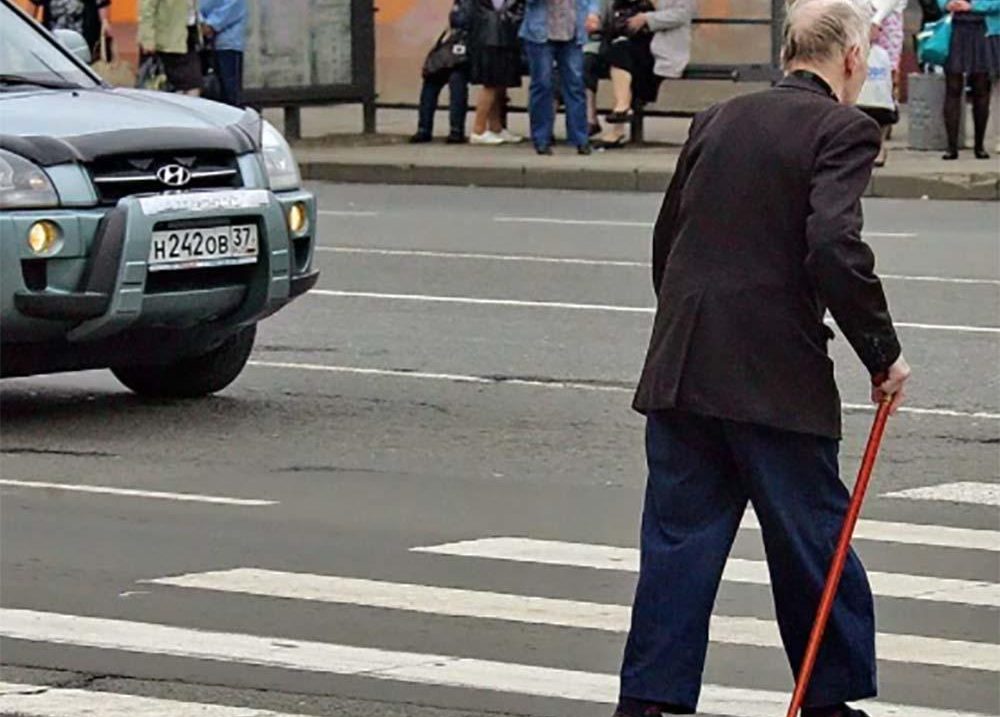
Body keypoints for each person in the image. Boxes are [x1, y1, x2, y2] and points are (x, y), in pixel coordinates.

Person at [615, 0, 911, 714]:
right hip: (777, 379)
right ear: (850, 59)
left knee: (678, 549)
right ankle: (828, 701)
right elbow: (833, 246)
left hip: (684, 369)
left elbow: (669, 241)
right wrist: (882, 354)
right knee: (813, 546)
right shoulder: (843, 129)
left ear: (787, 53)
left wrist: (692, 330)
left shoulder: (716, 118)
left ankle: (650, 703)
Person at [594, 0, 693, 147]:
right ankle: (622, 109)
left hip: (662, 49)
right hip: (634, 42)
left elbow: (682, 14)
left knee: (623, 60)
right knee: (619, 54)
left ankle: (619, 123)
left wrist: (646, 18)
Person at [519, 0, 601, 155]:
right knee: (542, 84)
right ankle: (541, 139)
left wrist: (593, 13)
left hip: (573, 31)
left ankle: (580, 139)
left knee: (576, 85)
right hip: (540, 33)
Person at [939, 0, 1000, 159]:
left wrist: (973, 7)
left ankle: (979, 145)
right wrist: (946, 4)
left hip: (984, 29)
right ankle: (951, 147)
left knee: (981, 88)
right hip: (954, 28)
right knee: (952, 87)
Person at [411, 0, 471, 143]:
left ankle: (424, 129)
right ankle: (456, 130)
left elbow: (458, 19)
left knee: (433, 81)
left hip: (454, 48)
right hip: (464, 50)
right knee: (456, 83)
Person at [467, 0, 525, 145]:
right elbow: (500, 7)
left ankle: (496, 127)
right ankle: (478, 130)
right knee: (491, 84)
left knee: (498, 84)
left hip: (498, 35)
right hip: (492, 36)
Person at [867, 0, 907, 165]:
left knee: (884, 83)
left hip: (888, 19)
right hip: (858, 17)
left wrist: (877, 20)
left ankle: (879, 144)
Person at [139, 0, 202, 96]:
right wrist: (147, 39)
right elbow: (146, 10)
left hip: (188, 35)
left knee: (194, 83)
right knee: (179, 84)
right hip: (167, 39)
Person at [199, 0, 246, 106]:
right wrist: (200, 23)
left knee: (229, 92)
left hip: (227, 44)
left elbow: (231, 8)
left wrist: (209, 25)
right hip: (201, 44)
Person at [32, 0, 111, 58]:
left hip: (84, 43)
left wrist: (105, 24)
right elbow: (31, 11)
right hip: (52, 42)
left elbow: (102, 6)